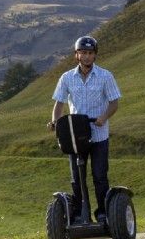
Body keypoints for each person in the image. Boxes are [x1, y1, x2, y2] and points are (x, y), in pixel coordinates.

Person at [48, 36, 121, 223]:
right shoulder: (66, 78)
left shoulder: (106, 76)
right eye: (83, 53)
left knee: (99, 176)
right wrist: (55, 123)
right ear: (76, 55)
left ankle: (103, 213)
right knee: (77, 179)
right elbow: (59, 105)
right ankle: (81, 213)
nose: (87, 57)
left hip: (98, 135)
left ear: (95, 55)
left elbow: (114, 102)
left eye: (90, 53)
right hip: (76, 135)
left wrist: (103, 118)